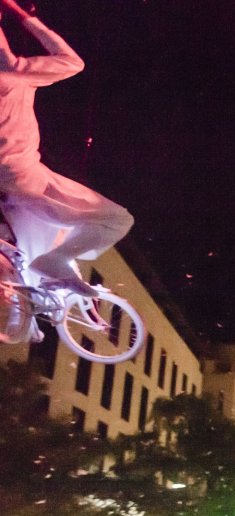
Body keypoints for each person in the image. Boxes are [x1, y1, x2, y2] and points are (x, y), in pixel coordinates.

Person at [0, 0, 134, 298]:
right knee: (116, 219)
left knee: (35, 256)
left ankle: (33, 302)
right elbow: (72, 62)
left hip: (13, 180)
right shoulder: (16, 76)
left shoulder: (14, 73)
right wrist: (24, 17)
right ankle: (53, 263)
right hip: (26, 178)